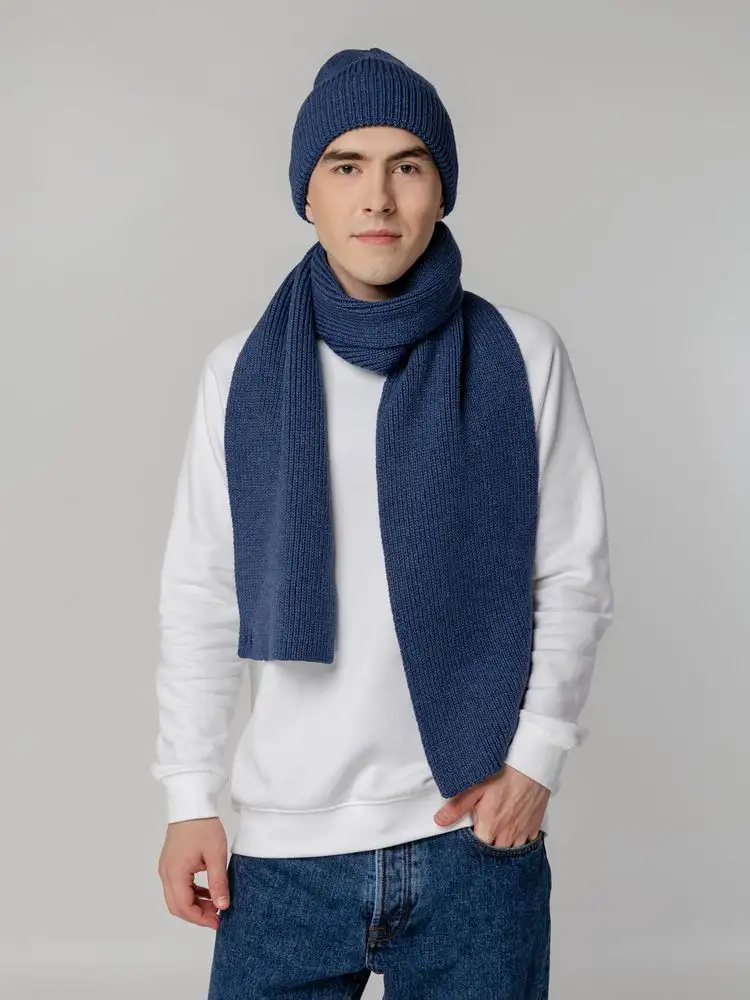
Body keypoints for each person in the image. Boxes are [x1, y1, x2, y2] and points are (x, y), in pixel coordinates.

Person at [152, 46, 614, 999]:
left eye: (407, 165)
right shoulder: (242, 374)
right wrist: (188, 795)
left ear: (442, 190)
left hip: (470, 843)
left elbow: (570, 576)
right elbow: (203, 593)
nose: (377, 197)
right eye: (345, 166)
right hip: (285, 855)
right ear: (307, 193)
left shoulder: (521, 355)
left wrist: (537, 760)